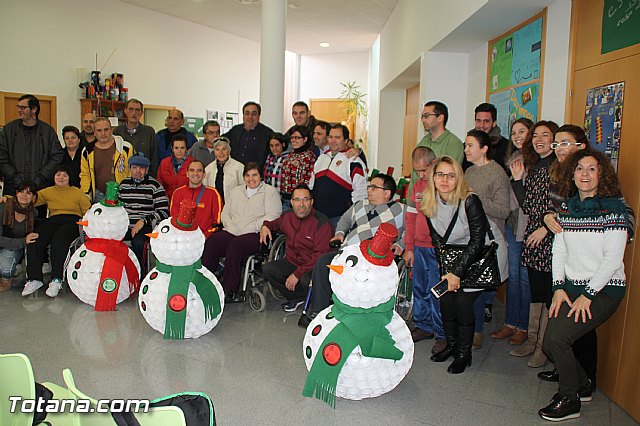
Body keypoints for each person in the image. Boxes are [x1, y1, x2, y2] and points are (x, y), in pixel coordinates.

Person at [538, 149, 628, 422]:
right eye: (579, 169)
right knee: (548, 345)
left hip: (604, 288)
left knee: (558, 339)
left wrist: (588, 295)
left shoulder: (613, 209)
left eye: (592, 169)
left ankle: (570, 399)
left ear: (602, 174)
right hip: (570, 287)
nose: (585, 174)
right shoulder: (566, 208)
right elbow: (560, 251)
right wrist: (558, 288)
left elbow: (613, 259)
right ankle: (583, 384)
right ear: (572, 174)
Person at [303, 173, 405, 325]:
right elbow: (344, 220)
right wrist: (339, 234)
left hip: (372, 259)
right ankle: (319, 312)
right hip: (347, 252)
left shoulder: (400, 209)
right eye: (369, 186)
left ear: (387, 193)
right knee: (324, 262)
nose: (369, 190)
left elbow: (411, 233)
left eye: (374, 187)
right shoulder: (360, 205)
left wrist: (400, 244)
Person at [425, 156, 489, 374]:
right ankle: (451, 346)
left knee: (462, 302)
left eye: (451, 175)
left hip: (478, 257)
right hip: (453, 259)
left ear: (458, 178)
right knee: (445, 300)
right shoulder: (429, 201)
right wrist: (446, 273)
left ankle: (464, 353)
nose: (445, 180)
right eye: (440, 174)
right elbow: (437, 242)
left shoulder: (470, 200)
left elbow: (478, 240)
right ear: (433, 178)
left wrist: (457, 273)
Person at [510, 120, 559, 368]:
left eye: (545, 135)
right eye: (536, 135)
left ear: (555, 139)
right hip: (533, 237)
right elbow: (528, 206)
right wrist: (518, 181)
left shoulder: (559, 167)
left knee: (549, 295)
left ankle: (543, 348)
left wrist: (545, 229)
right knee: (536, 293)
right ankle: (531, 340)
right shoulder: (536, 165)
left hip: (550, 239)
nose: (539, 139)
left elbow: (563, 207)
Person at [201, 162, 281, 303]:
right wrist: (231, 226)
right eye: (248, 175)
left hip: (257, 234)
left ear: (261, 176)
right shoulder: (236, 191)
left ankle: (230, 290)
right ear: (243, 177)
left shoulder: (270, 192)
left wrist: (249, 228)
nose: (251, 179)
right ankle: (204, 280)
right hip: (233, 230)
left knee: (235, 245)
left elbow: (273, 215)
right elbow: (225, 213)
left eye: (254, 175)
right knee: (214, 241)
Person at [463, 129, 511, 349]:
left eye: (470, 145)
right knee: (469, 285)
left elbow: (504, 210)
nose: (465, 150)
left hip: (490, 237)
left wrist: (478, 200)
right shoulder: (469, 172)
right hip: (470, 234)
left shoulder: (497, 173)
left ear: (483, 149)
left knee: (477, 286)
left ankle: (477, 332)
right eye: (465, 145)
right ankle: (470, 328)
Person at [491, 118, 534, 346]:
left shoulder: (534, 163)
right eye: (514, 132)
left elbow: (528, 200)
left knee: (525, 280)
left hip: (528, 230)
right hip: (512, 226)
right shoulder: (511, 160)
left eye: (523, 131)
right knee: (513, 277)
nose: (517, 136)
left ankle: (524, 326)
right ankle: (510, 323)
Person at [260, 184, 332, 312]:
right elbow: (275, 224)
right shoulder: (287, 216)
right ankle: (297, 297)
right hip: (292, 261)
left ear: (311, 202)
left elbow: (320, 255)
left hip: (313, 266)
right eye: (297, 200)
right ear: (292, 202)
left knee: (305, 280)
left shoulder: (322, 223)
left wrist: (296, 274)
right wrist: (265, 226)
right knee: (268, 269)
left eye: (305, 199)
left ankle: (314, 299)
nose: (301, 204)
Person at [22, 166, 91, 298]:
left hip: (72, 221)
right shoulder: (48, 192)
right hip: (53, 220)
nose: (61, 177)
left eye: (64, 175)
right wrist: (8, 198)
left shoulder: (77, 192)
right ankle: (34, 279)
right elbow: (29, 198)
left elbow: (87, 212)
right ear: (53, 177)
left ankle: (56, 280)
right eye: (58, 174)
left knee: (59, 241)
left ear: (69, 178)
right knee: (34, 239)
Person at [403, 147, 445, 353]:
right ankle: (423, 325)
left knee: (437, 290)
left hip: (436, 248)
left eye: (425, 170)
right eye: (417, 170)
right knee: (419, 287)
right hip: (418, 246)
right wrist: (409, 247)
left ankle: (442, 332)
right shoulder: (417, 186)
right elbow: (410, 218)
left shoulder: (443, 185)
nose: (421, 175)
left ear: (433, 163)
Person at [0, 94, 64, 196]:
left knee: (38, 212)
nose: (19, 110)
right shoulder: (8, 130)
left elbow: (57, 155)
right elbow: (2, 156)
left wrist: (41, 177)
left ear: (34, 109)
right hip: (13, 188)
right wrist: (14, 177)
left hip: (40, 188)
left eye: (23, 107)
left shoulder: (47, 131)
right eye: (18, 107)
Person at [309, 124, 367, 227]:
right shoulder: (321, 158)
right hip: (317, 217)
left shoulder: (354, 161)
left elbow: (361, 192)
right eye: (331, 137)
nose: (333, 140)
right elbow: (311, 186)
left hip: (339, 219)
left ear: (346, 141)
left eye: (337, 137)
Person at [119, 154, 169, 270]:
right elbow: (118, 209)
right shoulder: (123, 185)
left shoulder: (154, 186)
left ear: (146, 170)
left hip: (146, 225)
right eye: (135, 167)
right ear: (130, 168)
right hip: (125, 225)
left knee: (139, 243)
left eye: (141, 168)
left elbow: (163, 212)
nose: (138, 171)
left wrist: (143, 221)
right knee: (112, 240)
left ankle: (141, 272)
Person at [80, 117, 135, 202]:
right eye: (99, 130)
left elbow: (132, 171)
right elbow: (85, 175)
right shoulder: (87, 151)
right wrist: (86, 194)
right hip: (98, 195)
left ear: (111, 130)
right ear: (94, 133)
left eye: (106, 129)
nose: (103, 133)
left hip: (122, 194)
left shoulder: (126, 148)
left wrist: (127, 191)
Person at [0, 181, 38, 292]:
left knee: (5, 269)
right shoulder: (3, 208)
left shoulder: (33, 214)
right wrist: (23, 241)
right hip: (8, 243)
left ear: (34, 197)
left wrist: (22, 242)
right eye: (21, 192)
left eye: (29, 193)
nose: (24, 195)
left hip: (14, 247)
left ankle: (6, 277)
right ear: (16, 193)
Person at [170, 160, 223, 239]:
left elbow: (218, 222)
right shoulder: (178, 193)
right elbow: (173, 218)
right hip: (182, 239)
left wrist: (203, 236)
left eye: (199, 171)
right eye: (192, 170)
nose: (195, 174)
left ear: (204, 175)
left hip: (205, 239)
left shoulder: (213, 193)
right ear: (187, 174)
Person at [113, 99, 158, 176]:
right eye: (131, 109)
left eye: (137, 110)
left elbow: (154, 158)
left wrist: (151, 177)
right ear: (125, 111)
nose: (134, 113)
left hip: (144, 177)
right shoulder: (117, 132)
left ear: (141, 113)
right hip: (122, 177)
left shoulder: (149, 132)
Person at [224, 101, 274, 167]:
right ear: (243, 116)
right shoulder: (235, 130)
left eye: (254, 114)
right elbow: (221, 141)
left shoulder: (267, 134)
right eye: (247, 113)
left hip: (256, 174)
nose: (250, 117)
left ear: (259, 116)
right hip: (235, 173)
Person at [280, 126, 316, 211]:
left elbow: (306, 181)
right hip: (285, 198)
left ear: (305, 139)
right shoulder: (291, 154)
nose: (293, 140)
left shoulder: (309, 157)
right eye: (292, 137)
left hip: (298, 201)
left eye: (297, 138)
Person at [467, 103, 509, 172]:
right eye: (478, 121)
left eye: (486, 121)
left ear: (494, 123)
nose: (481, 125)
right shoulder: (466, 146)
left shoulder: (506, 147)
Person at [203, 137, 244, 204]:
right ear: (214, 152)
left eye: (224, 149)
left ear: (229, 150)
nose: (221, 152)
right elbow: (206, 191)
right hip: (215, 206)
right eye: (217, 150)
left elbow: (243, 188)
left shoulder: (239, 167)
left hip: (234, 206)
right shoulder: (208, 169)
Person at [157, 135, 194, 200]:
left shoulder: (193, 163)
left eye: (182, 148)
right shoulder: (164, 163)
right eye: (176, 148)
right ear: (172, 148)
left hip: (187, 202)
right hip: (167, 201)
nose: (179, 151)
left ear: (186, 148)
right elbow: (159, 183)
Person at [263, 133, 290, 199]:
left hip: (282, 198)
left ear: (283, 144)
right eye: (271, 146)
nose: (274, 148)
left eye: (277, 145)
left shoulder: (288, 158)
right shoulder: (269, 157)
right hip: (268, 196)